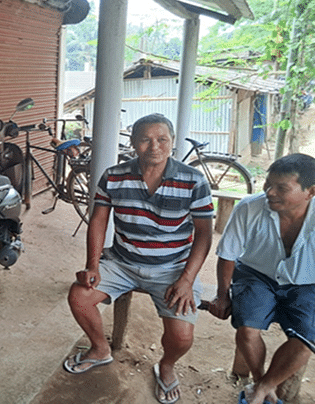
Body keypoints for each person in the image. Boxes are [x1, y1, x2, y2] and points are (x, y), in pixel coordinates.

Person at [64, 113, 214, 404]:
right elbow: (98, 221)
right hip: (122, 262)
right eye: (145, 139)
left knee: (182, 337)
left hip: (173, 269)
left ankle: (166, 366)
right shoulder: (114, 175)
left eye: (162, 139)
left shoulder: (193, 179)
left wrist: (186, 280)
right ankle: (100, 349)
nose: (154, 146)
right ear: (133, 143)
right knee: (79, 296)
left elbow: (204, 236)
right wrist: (93, 265)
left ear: (172, 142)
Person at [209, 153, 315, 404]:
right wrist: (222, 296)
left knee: (307, 338)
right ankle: (261, 384)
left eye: (281, 188)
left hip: (307, 282)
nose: (269, 192)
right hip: (257, 275)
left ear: (310, 191)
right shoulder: (249, 207)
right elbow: (227, 255)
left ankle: (263, 388)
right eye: (268, 184)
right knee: (247, 328)